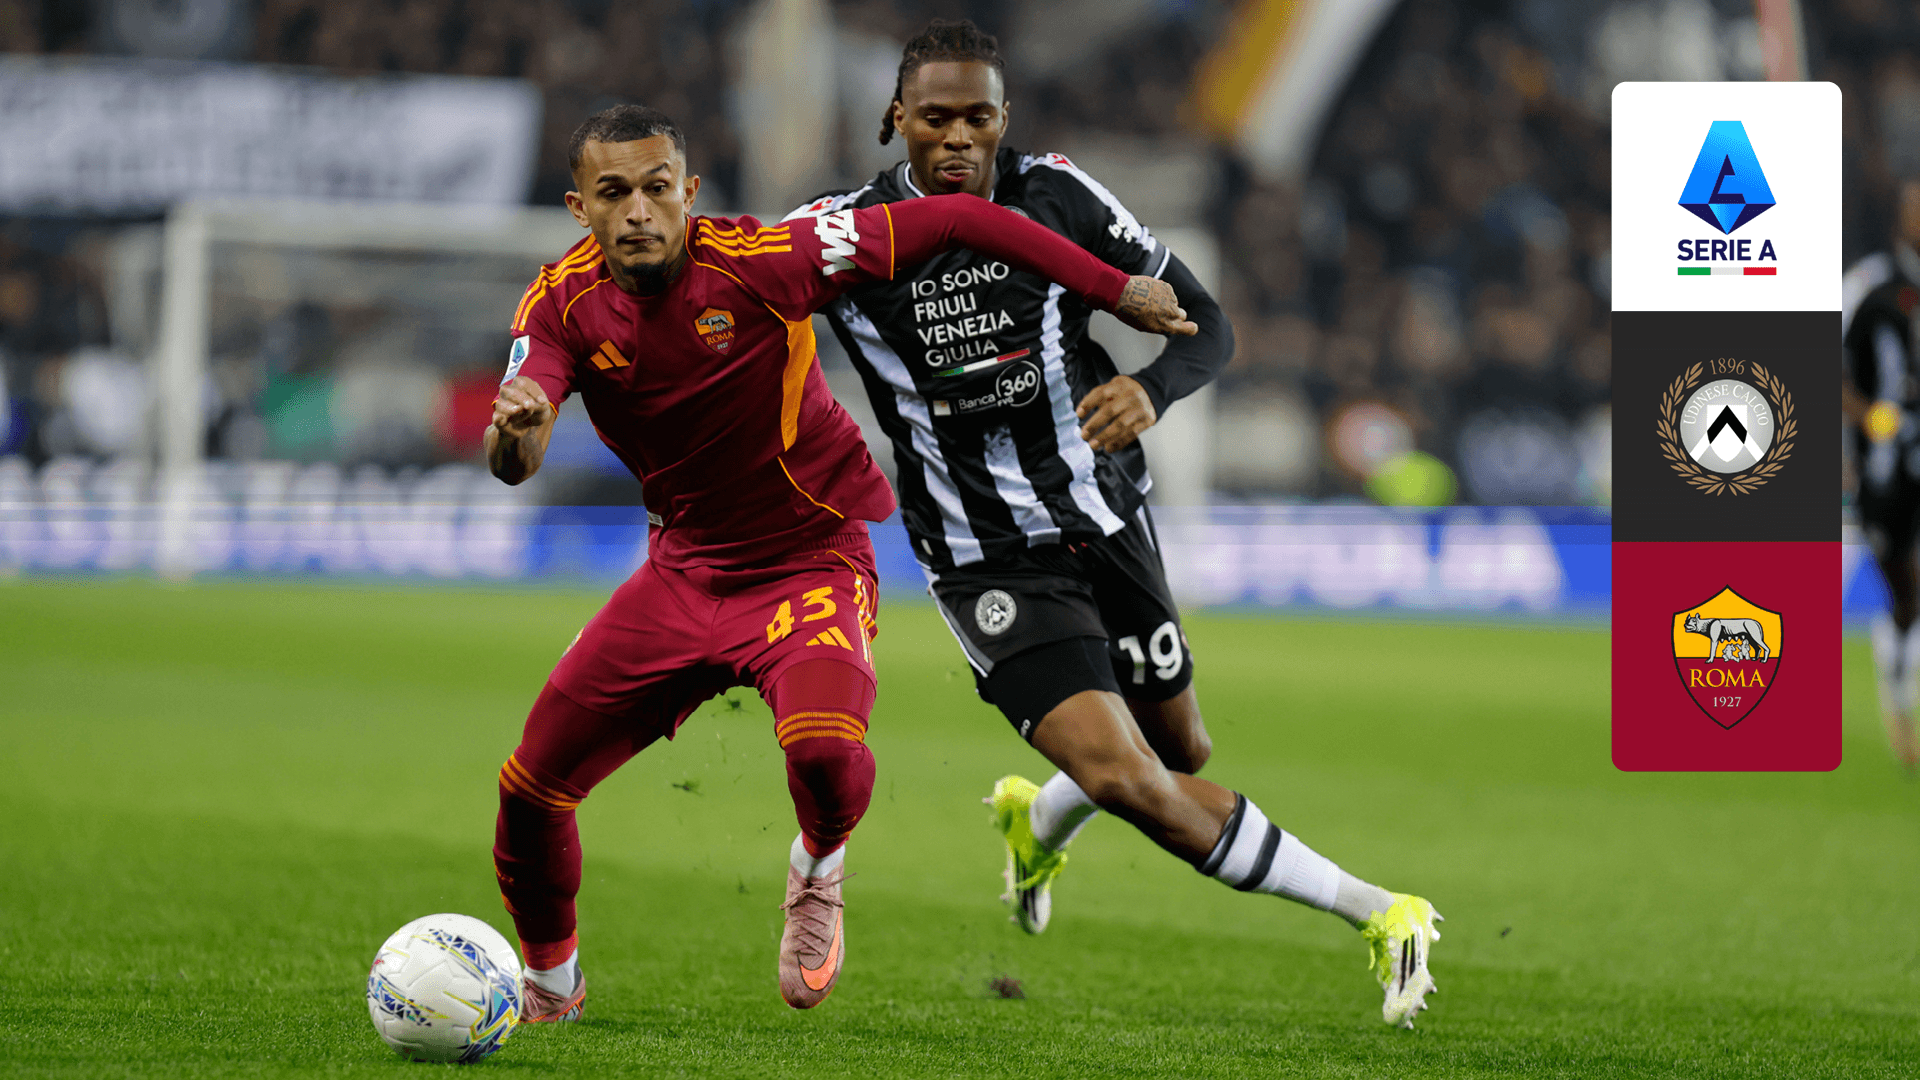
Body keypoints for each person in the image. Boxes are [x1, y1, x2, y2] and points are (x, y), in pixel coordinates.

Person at [786, 20, 1440, 1027]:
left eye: (979, 117)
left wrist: (1153, 389)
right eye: (936, 117)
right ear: (895, 119)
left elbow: (1207, 322)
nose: (959, 138)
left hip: (1106, 513)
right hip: (985, 556)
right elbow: (728, 294)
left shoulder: (1059, 195)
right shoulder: (838, 237)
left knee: (1181, 752)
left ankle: (1036, 817)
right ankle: (1381, 913)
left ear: (1004, 118)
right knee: (1128, 776)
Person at [488, 104, 1196, 1019]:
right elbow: (517, 452)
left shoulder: (765, 261)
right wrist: (518, 432)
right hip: (682, 575)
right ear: (578, 206)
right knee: (530, 790)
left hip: (808, 559)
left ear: (688, 192)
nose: (637, 212)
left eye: (656, 188)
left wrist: (1112, 286)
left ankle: (818, 864)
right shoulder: (556, 305)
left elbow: (957, 217)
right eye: (613, 193)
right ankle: (551, 986)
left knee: (825, 754)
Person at [1843, 177, 1920, 774]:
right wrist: (1864, 415)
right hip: (1886, 468)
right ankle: (1898, 689)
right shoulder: (1871, 284)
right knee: (1904, 593)